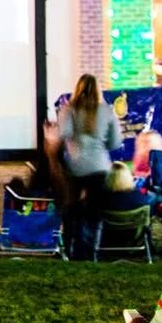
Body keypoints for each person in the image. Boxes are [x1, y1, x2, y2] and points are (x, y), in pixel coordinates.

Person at [44, 74, 120, 259]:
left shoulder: (67, 110)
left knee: (71, 211)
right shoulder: (107, 111)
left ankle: (71, 251)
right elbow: (115, 143)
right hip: (100, 167)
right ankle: (91, 252)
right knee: (94, 214)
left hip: (74, 167)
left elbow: (64, 135)